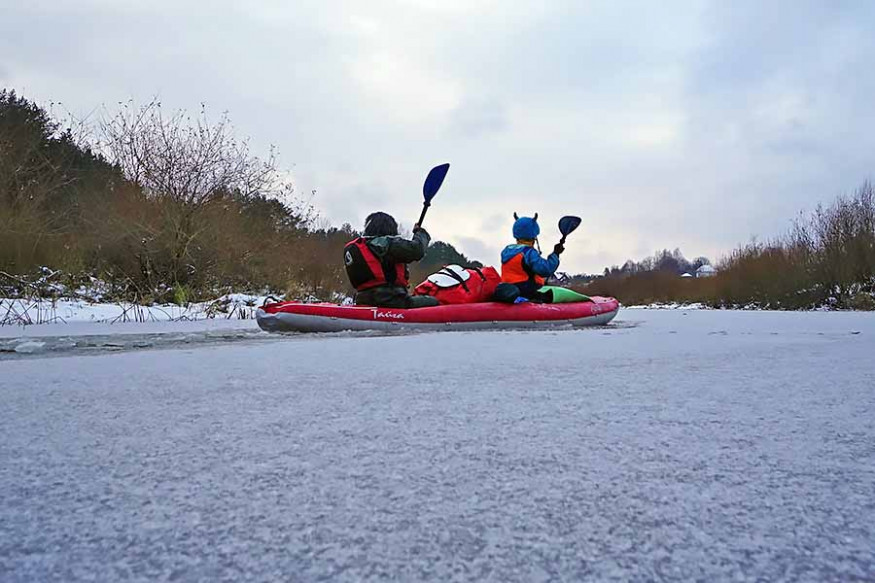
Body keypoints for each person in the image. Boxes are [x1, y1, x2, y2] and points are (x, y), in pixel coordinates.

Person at [343, 211, 440, 308]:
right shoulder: (384, 244)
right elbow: (417, 250)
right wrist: (420, 233)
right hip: (391, 302)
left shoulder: (358, 247)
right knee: (434, 301)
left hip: (363, 300)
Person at [499, 213, 563, 301]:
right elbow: (545, 270)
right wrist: (556, 254)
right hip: (526, 291)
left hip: (508, 289)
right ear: (533, 235)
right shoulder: (529, 252)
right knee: (549, 295)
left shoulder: (506, 250)